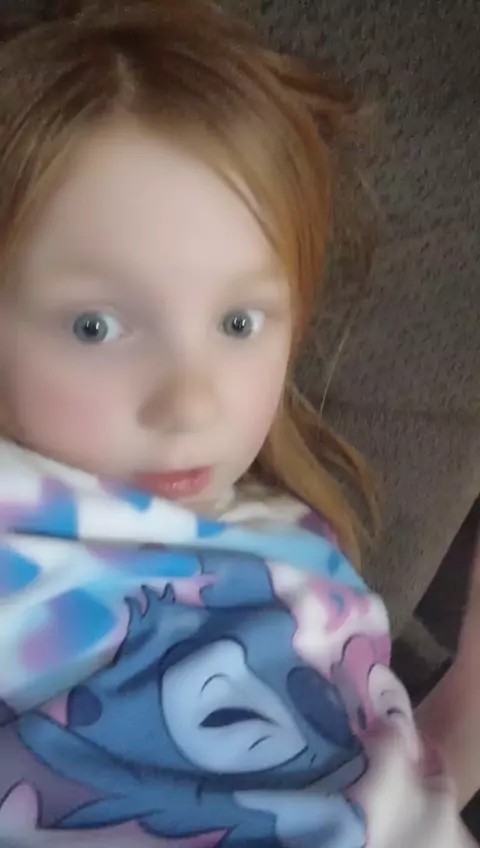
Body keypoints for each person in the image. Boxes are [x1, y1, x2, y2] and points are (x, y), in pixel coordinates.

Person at [0, 1, 475, 845]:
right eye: (96, 327)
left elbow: (384, 794)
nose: (191, 404)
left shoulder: (290, 533)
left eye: (240, 322)